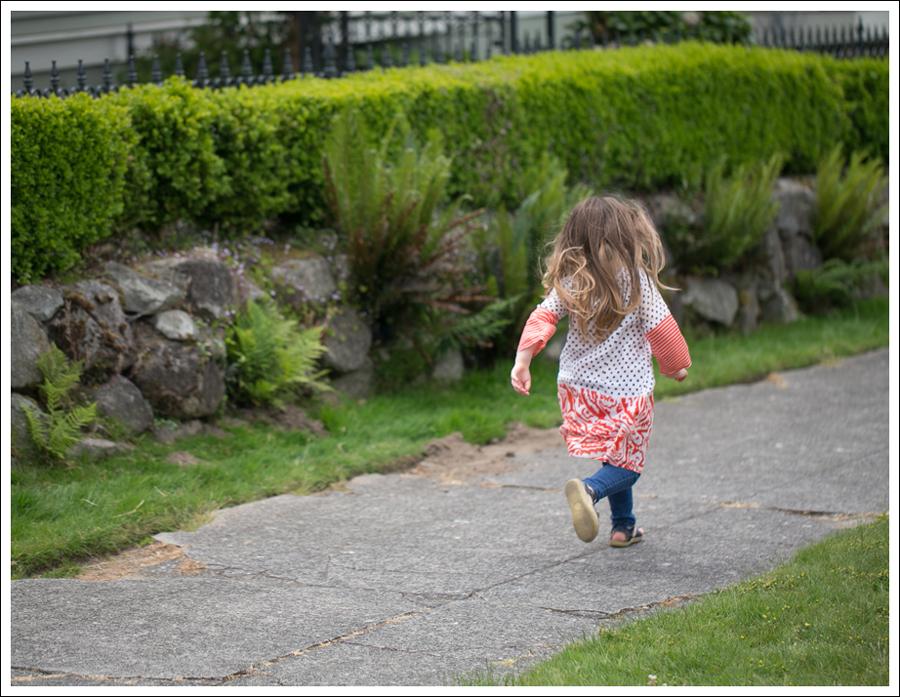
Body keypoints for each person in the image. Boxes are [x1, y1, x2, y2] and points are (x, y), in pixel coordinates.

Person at [510, 195, 691, 547]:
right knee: (629, 465)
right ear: (627, 235)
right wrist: (676, 367)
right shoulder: (637, 281)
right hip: (628, 393)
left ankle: (623, 527)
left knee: (614, 455)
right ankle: (590, 490)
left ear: (574, 239)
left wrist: (523, 359)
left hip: (580, 389)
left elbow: (542, 316)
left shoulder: (574, 281)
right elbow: (662, 330)